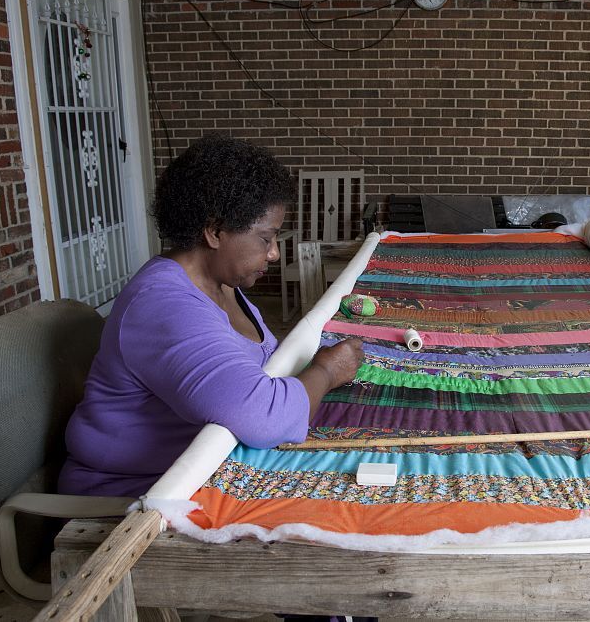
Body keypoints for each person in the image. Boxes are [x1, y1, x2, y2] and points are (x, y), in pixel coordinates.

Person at [59, 135, 364, 498]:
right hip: (135, 499)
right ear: (215, 231)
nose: (273, 255)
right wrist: (328, 371)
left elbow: (260, 371)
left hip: (198, 473)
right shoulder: (163, 305)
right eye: (265, 239)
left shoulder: (220, 285)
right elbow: (265, 416)